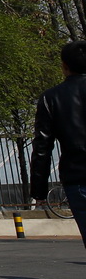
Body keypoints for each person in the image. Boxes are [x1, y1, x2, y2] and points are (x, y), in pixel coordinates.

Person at [30, 41, 86, 248]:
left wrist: (39, 190)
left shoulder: (52, 97)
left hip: (78, 174)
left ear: (64, 65)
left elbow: (42, 146)